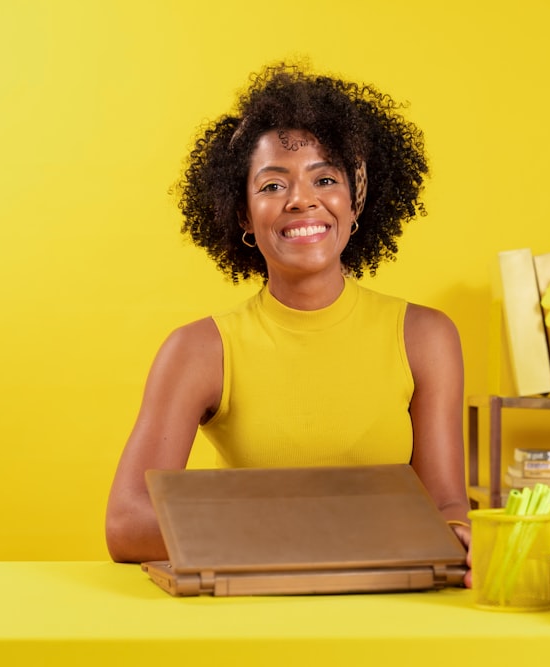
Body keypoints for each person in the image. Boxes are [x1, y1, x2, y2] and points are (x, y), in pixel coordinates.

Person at [105, 63, 471, 581]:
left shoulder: (425, 337)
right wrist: (322, 528)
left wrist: (456, 530)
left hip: (390, 610)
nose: (302, 199)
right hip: (245, 616)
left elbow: (447, 503)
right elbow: (126, 524)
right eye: (273, 185)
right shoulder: (200, 350)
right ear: (242, 216)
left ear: (355, 201)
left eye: (325, 179)